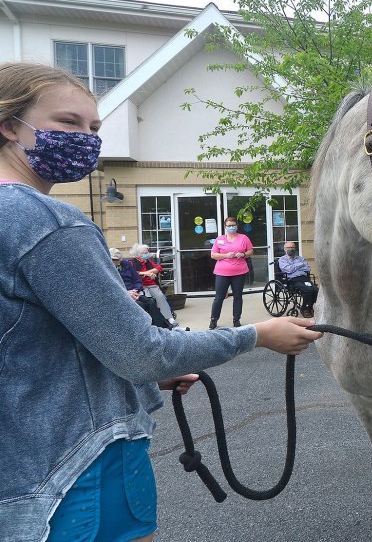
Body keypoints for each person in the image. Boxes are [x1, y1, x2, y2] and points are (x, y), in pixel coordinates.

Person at [0, 62, 322, 542]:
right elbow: (143, 351)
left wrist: (137, 367)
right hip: (78, 471)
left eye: (93, 128)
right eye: (68, 123)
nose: (86, 139)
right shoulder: (46, 222)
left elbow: (32, 347)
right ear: (8, 124)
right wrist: (259, 334)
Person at [109, 247, 172, 329]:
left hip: (135, 292)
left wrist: (135, 290)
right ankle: (148, 328)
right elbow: (112, 286)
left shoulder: (126, 264)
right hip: (122, 294)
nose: (117, 262)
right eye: (114, 260)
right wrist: (126, 293)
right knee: (141, 305)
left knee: (151, 302)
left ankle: (161, 328)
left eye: (118, 260)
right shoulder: (108, 270)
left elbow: (137, 279)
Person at [209, 216, 254, 329]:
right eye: (229, 226)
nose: (231, 227)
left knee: (238, 296)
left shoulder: (243, 238)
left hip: (239, 272)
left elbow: (250, 251)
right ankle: (213, 320)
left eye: (233, 225)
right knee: (219, 297)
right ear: (225, 227)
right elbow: (213, 255)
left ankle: (236, 320)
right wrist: (225, 255)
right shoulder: (220, 239)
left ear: (237, 226)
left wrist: (243, 254)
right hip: (222, 273)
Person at [129, 242, 181, 329]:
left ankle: (169, 318)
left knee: (160, 296)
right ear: (138, 254)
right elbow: (133, 273)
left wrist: (149, 272)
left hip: (152, 285)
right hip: (140, 286)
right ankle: (153, 320)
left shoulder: (148, 261)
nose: (147, 254)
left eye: (147, 252)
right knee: (149, 300)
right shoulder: (131, 263)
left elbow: (159, 268)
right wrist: (146, 273)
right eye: (144, 253)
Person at [278, 241, 319, 317]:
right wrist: (300, 265)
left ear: (295, 248)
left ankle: (310, 307)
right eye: (288, 247)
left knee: (315, 289)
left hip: (304, 278)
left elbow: (307, 268)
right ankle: (305, 309)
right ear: (285, 249)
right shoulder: (282, 260)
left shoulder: (300, 258)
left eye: (292, 247)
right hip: (292, 279)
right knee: (308, 290)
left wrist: (294, 267)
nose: (290, 249)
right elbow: (288, 270)